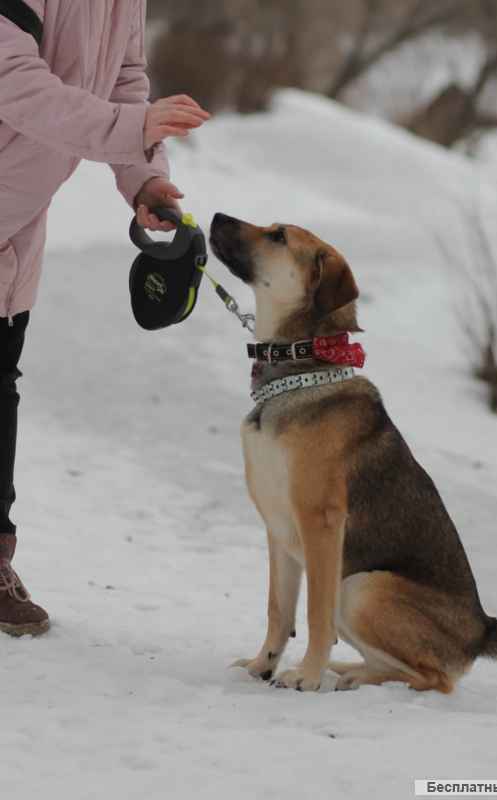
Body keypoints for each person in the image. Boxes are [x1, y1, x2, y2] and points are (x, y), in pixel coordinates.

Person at [0, 0, 210, 636]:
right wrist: (131, 123)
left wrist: (144, 177)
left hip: (17, 211)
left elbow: (125, 78)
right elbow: (14, 82)